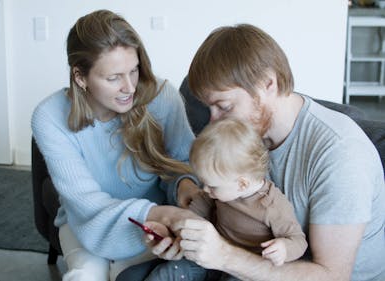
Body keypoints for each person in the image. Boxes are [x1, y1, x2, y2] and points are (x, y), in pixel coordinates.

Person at [146, 24, 385, 281]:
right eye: (209, 108)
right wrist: (180, 231)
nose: (213, 122)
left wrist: (224, 256)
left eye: (223, 106)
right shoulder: (246, 134)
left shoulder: (340, 154)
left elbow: (332, 276)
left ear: (268, 84)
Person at [31, 9, 201, 281]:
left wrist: (185, 185)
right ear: (80, 77)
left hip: (154, 222)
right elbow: (86, 204)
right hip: (86, 221)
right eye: (113, 78)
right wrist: (156, 213)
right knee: (85, 277)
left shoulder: (161, 97)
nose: (130, 87)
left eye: (134, 71)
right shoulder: (49, 117)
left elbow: (184, 164)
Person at [119, 118, 308, 281]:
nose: (205, 189)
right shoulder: (220, 193)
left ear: (242, 184)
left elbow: (299, 241)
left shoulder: (273, 207)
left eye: (212, 185)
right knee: (171, 272)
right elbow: (191, 216)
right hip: (209, 260)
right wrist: (171, 228)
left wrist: (284, 248)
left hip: (244, 271)